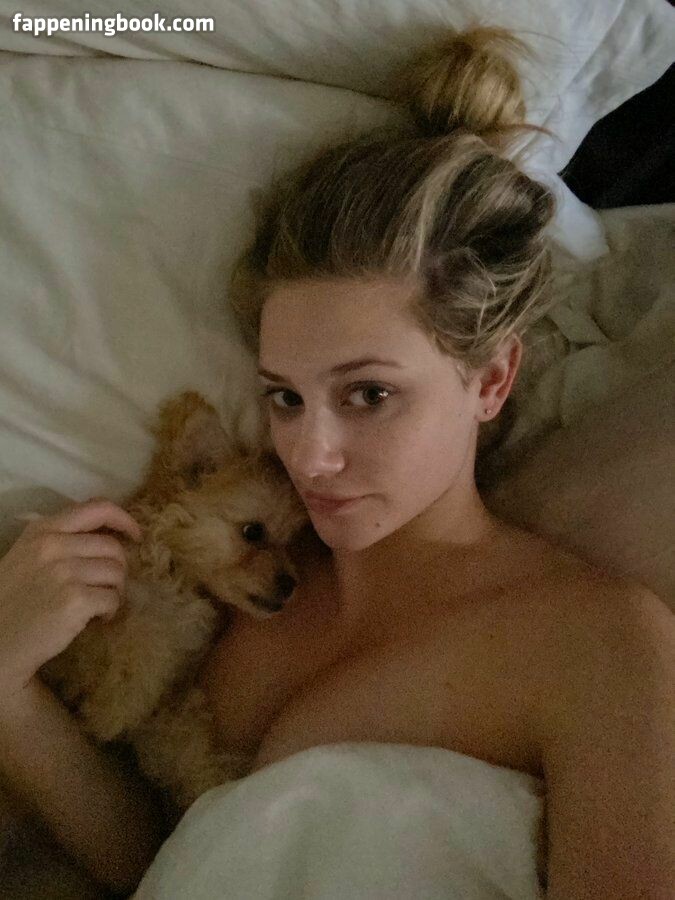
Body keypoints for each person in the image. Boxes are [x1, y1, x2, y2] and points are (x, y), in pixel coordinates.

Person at [0, 24, 672, 900]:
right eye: (284, 397)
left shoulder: (601, 646)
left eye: (368, 394)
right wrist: (7, 683)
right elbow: (155, 865)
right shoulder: (237, 599)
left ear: (490, 379)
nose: (308, 457)